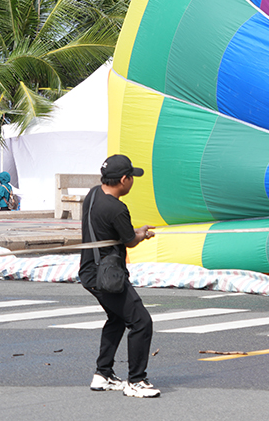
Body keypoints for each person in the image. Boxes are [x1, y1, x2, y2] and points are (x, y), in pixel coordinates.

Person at [80, 154, 159, 398]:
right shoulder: (117, 208)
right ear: (124, 179)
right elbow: (130, 241)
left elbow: (114, 233)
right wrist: (142, 234)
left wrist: (131, 232)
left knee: (116, 319)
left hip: (89, 272)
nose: (132, 182)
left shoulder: (93, 194)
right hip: (107, 277)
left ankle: (103, 375)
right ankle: (136, 381)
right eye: (131, 177)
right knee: (141, 322)